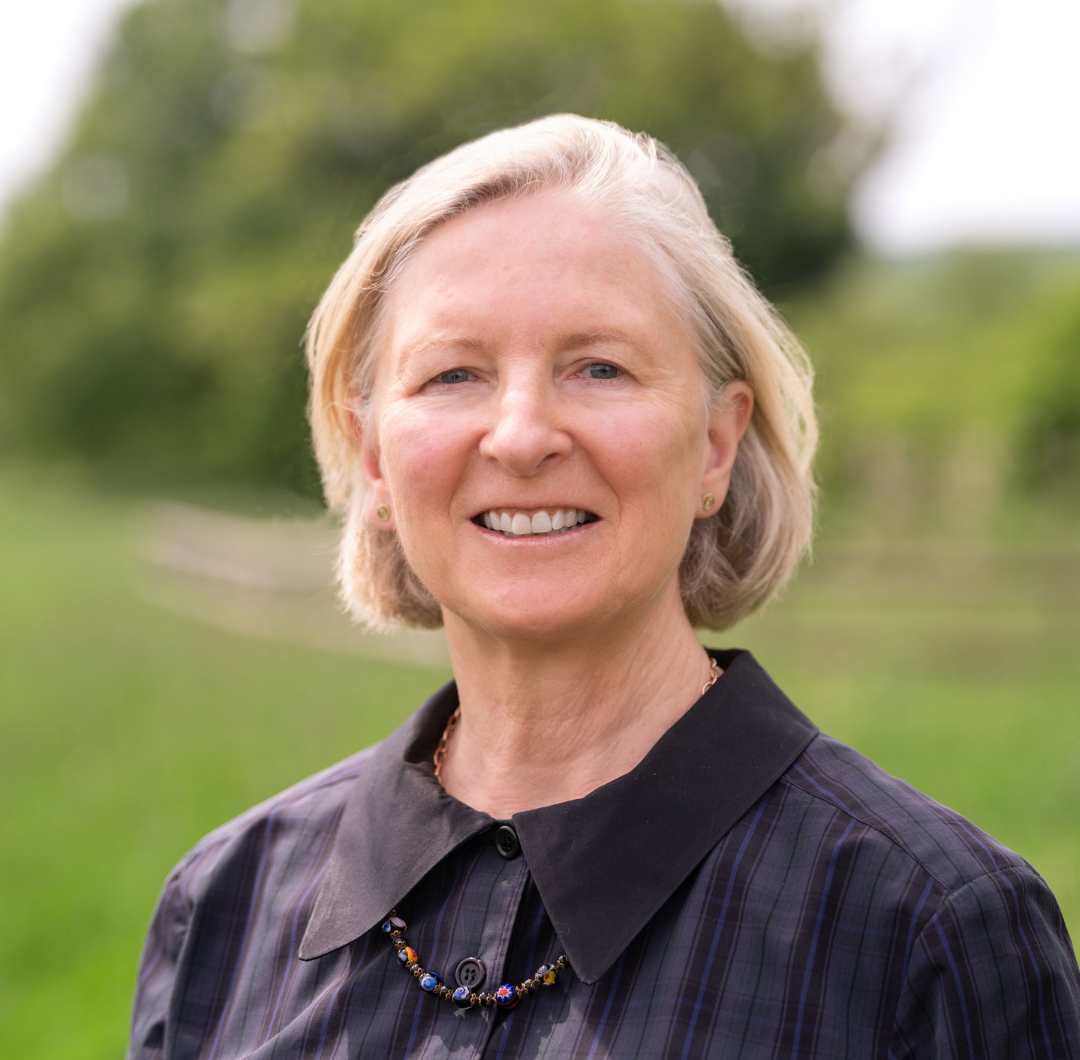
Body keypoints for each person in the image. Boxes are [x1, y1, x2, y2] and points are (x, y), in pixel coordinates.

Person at [127, 115, 1080, 1059]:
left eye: (599, 367)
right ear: (375, 459)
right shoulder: (222, 904)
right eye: (454, 373)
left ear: (716, 443)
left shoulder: (929, 933)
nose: (522, 433)